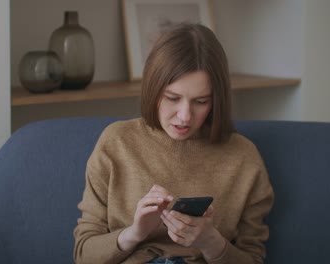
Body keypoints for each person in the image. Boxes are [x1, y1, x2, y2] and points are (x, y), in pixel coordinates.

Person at [73, 23, 274, 264]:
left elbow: (253, 258)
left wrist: (211, 242)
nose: (185, 116)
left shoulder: (244, 158)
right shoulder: (116, 143)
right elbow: (84, 255)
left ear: (216, 100)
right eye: (172, 98)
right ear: (153, 89)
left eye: (200, 101)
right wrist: (134, 233)